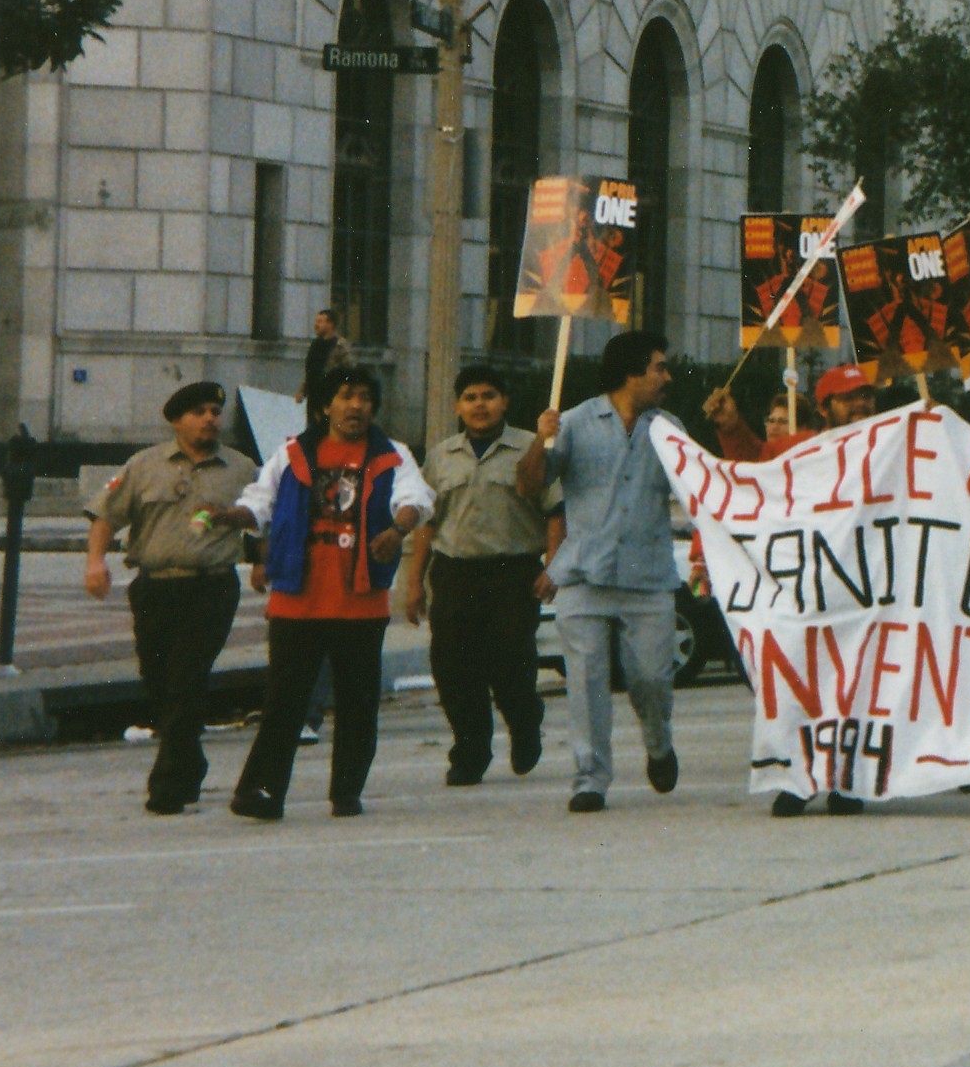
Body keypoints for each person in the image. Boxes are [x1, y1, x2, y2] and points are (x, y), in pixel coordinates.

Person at [228, 365, 433, 820]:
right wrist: (232, 518)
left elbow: (415, 498)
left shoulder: (391, 454)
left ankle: (346, 792)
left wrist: (397, 531)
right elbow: (259, 501)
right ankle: (261, 792)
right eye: (345, 396)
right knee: (284, 700)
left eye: (364, 397)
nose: (355, 405)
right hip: (297, 598)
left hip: (360, 600)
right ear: (324, 406)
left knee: (358, 703)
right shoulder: (292, 454)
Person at [519, 330, 688, 815]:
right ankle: (589, 778)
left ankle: (659, 744)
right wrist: (540, 438)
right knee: (586, 681)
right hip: (584, 576)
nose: (667, 377)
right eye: (659, 366)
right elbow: (531, 486)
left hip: (649, 576)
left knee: (652, 679)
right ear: (631, 372)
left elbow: (701, 488)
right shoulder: (570, 423)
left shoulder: (669, 428)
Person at [84, 381, 257, 815]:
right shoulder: (144, 466)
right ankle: (190, 758)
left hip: (211, 587)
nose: (210, 419)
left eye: (215, 411)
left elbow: (264, 518)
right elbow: (106, 515)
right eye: (199, 411)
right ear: (177, 420)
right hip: (155, 587)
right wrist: (95, 563)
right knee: (158, 680)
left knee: (186, 678)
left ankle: (169, 785)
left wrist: (266, 563)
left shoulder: (241, 468)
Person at [400, 365, 558, 786]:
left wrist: (555, 567)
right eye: (470, 398)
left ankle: (525, 721)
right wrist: (415, 583)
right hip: (455, 573)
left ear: (504, 401)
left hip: (513, 573)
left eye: (489, 395)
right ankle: (470, 749)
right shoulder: (442, 455)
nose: (480, 405)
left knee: (509, 666)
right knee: (452, 668)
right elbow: (428, 524)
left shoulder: (533, 446)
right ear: (457, 406)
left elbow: (556, 512)